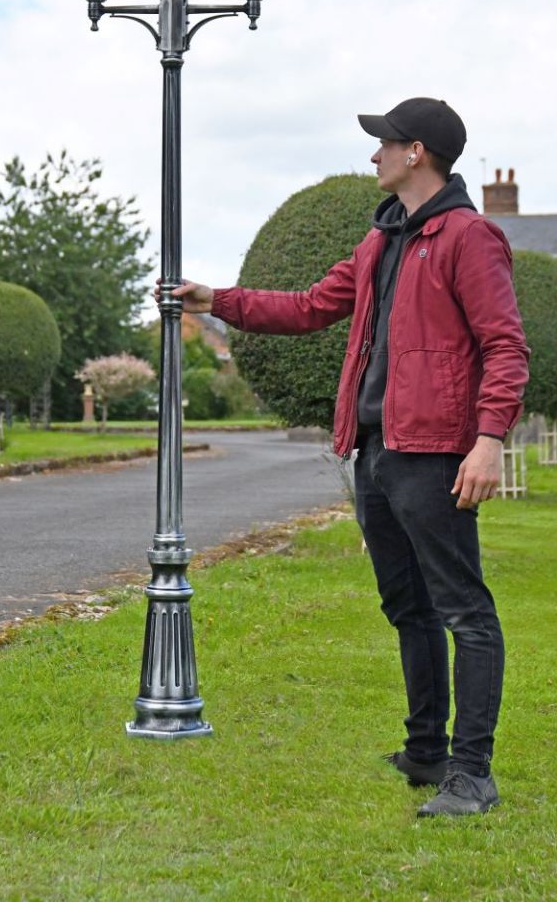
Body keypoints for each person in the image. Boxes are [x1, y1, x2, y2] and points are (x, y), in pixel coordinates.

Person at [165, 97, 529, 817]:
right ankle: (426, 751)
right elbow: (307, 307)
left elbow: (506, 346)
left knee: (464, 611)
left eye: (384, 144)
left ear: (417, 151)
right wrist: (217, 300)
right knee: (408, 608)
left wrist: (489, 441)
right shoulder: (381, 241)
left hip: (434, 456)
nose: (374, 156)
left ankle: (473, 774)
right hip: (378, 455)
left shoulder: (468, 237)